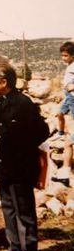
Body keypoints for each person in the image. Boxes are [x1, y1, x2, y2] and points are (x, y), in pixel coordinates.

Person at [0, 63, 49, 251]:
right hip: (3, 167)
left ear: (4, 82)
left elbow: (42, 131)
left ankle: (29, 250)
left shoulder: (24, 104)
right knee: (8, 209)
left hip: (21, 168)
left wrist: (24, 151)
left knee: (24, 210)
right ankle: (14, 247)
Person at [51, 41, 74, 186]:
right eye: (62, 56)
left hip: (72, 97)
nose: (63, 58)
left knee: (68, 143)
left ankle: (66, 172)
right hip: (68, 97)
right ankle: (60, 131)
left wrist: (71, 89)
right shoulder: (69, 66)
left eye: (66, 55)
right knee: (59, 113)